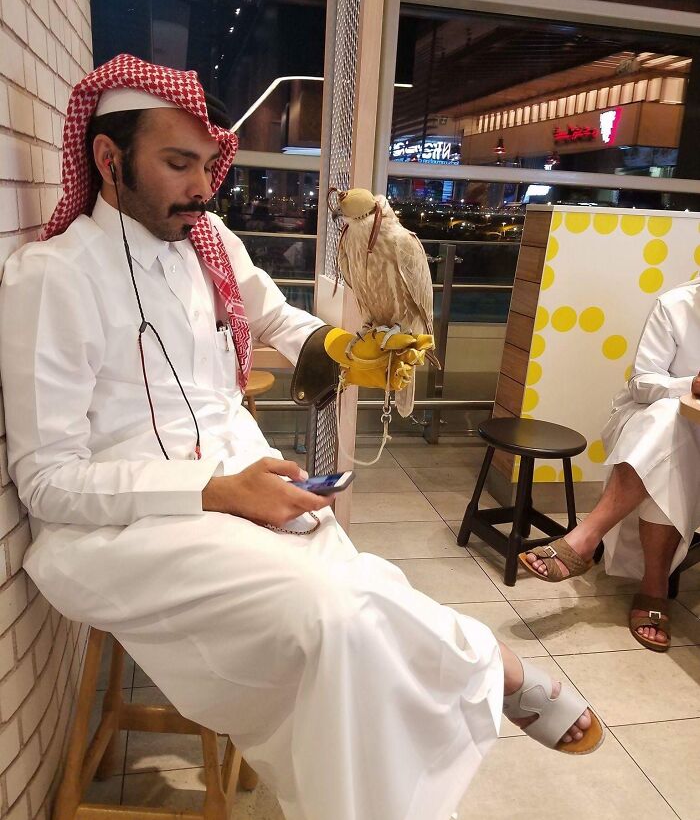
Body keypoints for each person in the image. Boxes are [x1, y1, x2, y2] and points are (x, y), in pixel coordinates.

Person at [0, 55, 601, 820]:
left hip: (238, 481)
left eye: (208, 164)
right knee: (335, 614)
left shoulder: (205, 240)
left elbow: (278, 320)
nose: (202, 186)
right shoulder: (52, 277)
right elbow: (48, 482)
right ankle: (497, 668)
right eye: (179, 163)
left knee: (357, 606)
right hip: (120, 527)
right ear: (108, 159)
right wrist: (216, 491)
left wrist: (350, 351)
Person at [521, 280, 700, 652]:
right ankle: (654, 590)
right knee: (670, 428)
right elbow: (642, 383)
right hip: (652, 423)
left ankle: (585, 538)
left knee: (669, 448)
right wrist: (691, 384)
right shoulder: (676, 305)